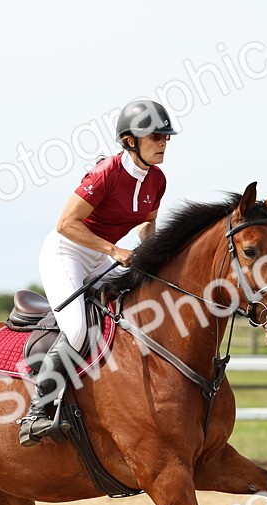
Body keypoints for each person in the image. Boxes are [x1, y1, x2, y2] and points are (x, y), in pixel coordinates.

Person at [17, 98, 178, 446]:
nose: (164, 142)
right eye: (156, 136)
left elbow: (147, 228)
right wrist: (113, 250)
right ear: (130, 141)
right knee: (76, 329)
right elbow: (64, 224)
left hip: (102, 257)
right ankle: (36, 414)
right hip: (68, 253)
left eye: (166, 136)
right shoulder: (105, 173)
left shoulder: (157, 180)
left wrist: (152, 257)